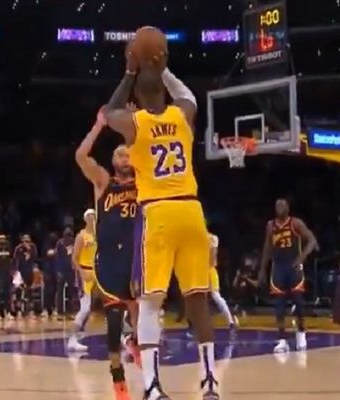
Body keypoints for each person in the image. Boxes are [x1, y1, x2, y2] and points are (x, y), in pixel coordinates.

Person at [105, 40, 218, 400]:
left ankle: (153, 386)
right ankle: (210, 382)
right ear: (164, 92)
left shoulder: (135, 123)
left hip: (158, 213)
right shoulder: (181, 115)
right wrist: (162, 67)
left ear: (137, 98)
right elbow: (188, 96)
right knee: (198, 300)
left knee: (150, 302)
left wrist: (130, 71)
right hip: (192, 211)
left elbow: (110, 111)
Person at [75, 109, 140, 399]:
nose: (124, 157)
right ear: (113, 162)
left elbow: (147, 149)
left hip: (137, 258)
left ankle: (136, 344)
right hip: (110, 261)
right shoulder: (103, 182)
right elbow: (80, 156)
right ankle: (118, 378)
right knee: (113, 323)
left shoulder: (143, 181)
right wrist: (99, 125)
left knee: (142, 315)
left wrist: (136, 126)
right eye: (119, 154)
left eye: (127, 154)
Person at [258, 198, 318, 353]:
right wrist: (262, 269)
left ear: (288, 208)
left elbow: (312, 241)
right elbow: (267, 248)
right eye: (277, 205)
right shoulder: (270, 225)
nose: (279, 207)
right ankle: (282, 340)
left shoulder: (295, 223)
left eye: (282, 205)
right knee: (279, 305)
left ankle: (301, 333)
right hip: (278, 267)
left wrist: (301, 258)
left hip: (293, 267)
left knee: (299, 302)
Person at [68, 209, 97, 351]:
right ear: (85, 219)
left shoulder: (98, 236)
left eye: (94, 216)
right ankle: (72, 340)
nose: (93, 218)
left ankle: (122, 337)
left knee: (112, 303)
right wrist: (81, 272)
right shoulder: (81, 236)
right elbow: (74, 258)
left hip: (96, 273)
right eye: (90, 216)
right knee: (84, 308)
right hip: (84, 273)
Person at [207, 232, 237, 330]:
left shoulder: (212, 238)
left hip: (209, 270)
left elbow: (212, 259)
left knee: (216, 296)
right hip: (199, 271)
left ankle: (230, 321)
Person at [13, 234, 39, 318]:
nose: (27, 243)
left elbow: (35, 258)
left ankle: (30, 311)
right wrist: (16, 272)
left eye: (28, 241)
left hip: (29, 271)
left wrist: (29, 250)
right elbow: (15, 260)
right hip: (20, 272)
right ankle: (18, 310)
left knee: (29, 292)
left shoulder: (33, 247)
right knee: (18, 291)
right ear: (22, 241)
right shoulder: (18, 248)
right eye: (25, 241)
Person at [54, 227, 75, 320]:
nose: (69, 238)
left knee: (71, 292)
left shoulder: (74, 243)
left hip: (71, 270)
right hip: (62, 270)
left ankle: (70, 312)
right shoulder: (60, 243)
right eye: (67, 235)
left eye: (70, 235)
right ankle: (60, 312)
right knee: (60, 292)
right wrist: (58, 271)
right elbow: (57, 258)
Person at [0, 234, 14, 320]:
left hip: (7, 273)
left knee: (7, 294)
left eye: (4, 239)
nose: (2, 241)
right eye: (1, 239)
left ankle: (8, 312)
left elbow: (11, 260)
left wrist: (12, 271)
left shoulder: (9, 248)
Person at [41, 232, 59, 319]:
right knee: (47, 291)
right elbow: (47, 255)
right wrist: (45, 273)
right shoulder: (46, 246)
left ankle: (53, 308)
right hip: (47, 272)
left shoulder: (58, 246)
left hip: (55, 272)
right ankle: (45, 309)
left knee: (54, 291)